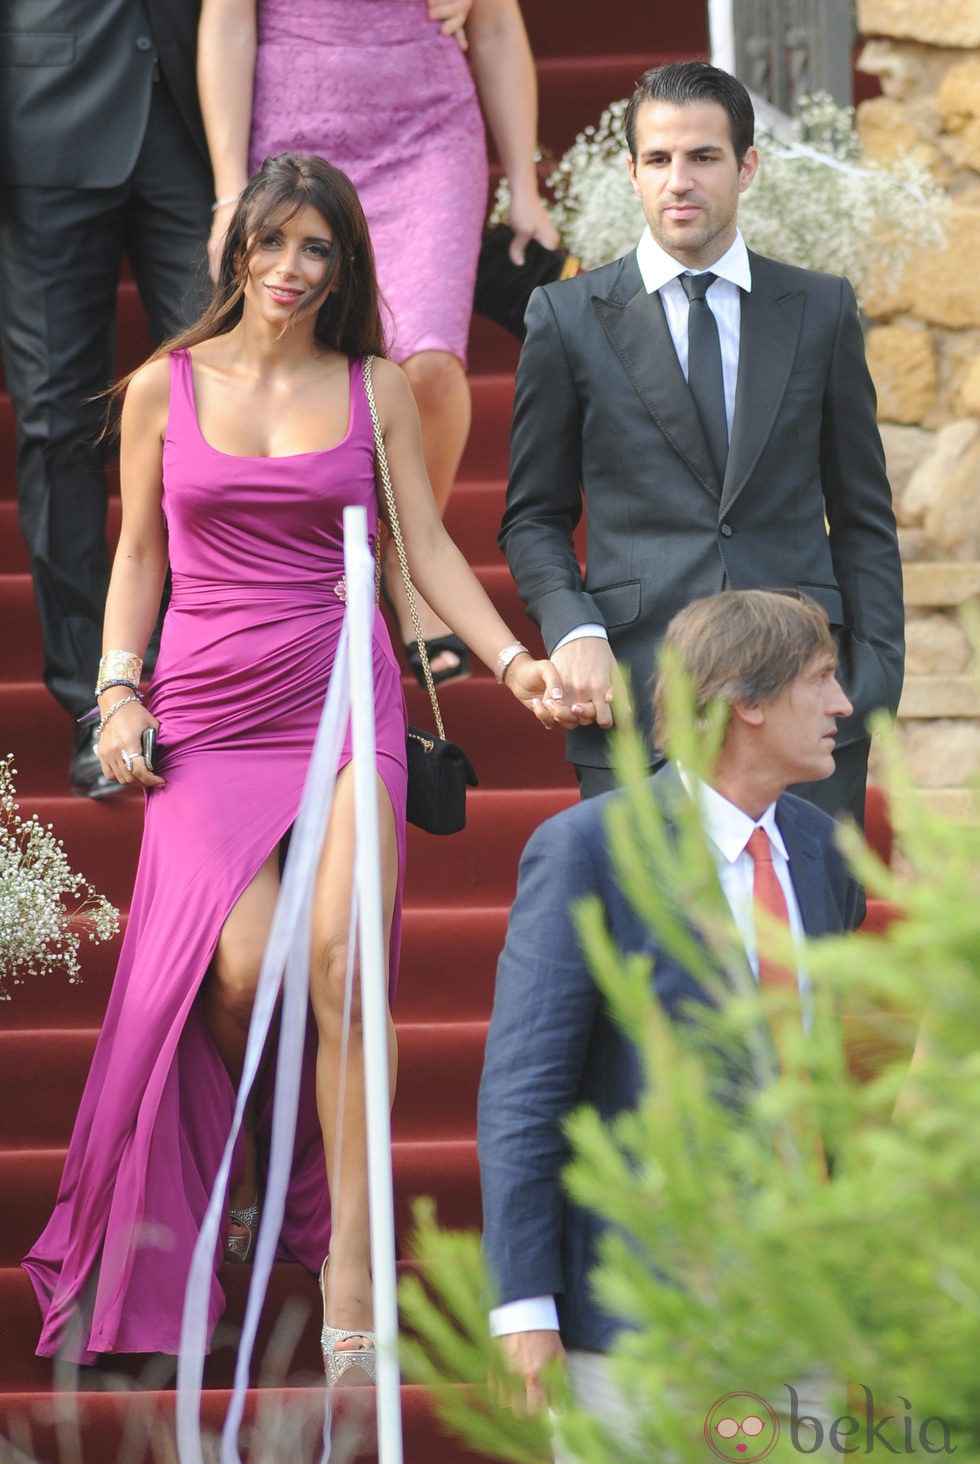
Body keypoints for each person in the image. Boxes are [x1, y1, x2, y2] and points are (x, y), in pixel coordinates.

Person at [22, 152, 572, 1380]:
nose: (288, 269)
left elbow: (424, 547)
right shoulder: (167, 387)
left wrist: (513, 659)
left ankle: (349, 1279)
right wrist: (118, 690)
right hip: (208, 708)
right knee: (244, 970)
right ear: (235, 253)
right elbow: (136, 564)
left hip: (341, 693)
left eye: (315, 249)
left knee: (336, 960)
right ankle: (266, 1167)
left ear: (342, 266)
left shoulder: (373, 385)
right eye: (270, 245)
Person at [478, 589, 864, 1422]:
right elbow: (525, 1092)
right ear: (747, 702)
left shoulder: (822, 850)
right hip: (637, 1320)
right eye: (822, 679)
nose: (844, 703)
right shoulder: (591, 850)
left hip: (805, 1311)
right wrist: (523, 1303)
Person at [499, 60, 905, 824]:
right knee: (654, 945)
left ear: (746, 167)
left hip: (801, 700)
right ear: (632, 171)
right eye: (658, 159)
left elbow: (863, 517)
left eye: (703, 157)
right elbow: (532, 517)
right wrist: (574, 628)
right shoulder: (567, 316)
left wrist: (873, 680)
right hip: (638, 694)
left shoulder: (820, 309)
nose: (678, 180)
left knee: (802, 941)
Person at [197, 0, 558, 686]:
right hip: (294, 130)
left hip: (429, 130)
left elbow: (498, 24)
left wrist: (523, 184)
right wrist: (226, 193)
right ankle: (312, 583)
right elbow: (228, 22)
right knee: (315, 359)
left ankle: (407, 563)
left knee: (426, 360)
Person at [0, 0, 213, 799]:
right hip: (39, 116)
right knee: (58, 424)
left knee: (219, 400)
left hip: (192, 116)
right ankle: (96, 703)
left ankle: (214, 676)